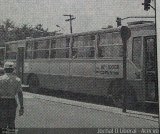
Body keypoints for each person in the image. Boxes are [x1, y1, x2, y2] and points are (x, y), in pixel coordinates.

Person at [0, 61, 24, 133]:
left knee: (2, 120)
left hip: (2, 101)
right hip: (12, 101)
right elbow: (20, 94)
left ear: (4, 69)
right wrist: (21, 106)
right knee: (11, 120)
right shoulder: (17, 80)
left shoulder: (0, 79)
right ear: (13, 70)